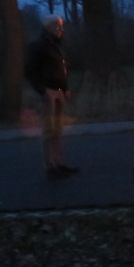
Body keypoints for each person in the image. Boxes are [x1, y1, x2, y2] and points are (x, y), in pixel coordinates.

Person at [25, 14, 79, 179]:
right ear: (48, 27)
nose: (60, 29)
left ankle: (59, 163)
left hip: (59, 91)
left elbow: (61, 70)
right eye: (57, 26)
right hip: (49, 92)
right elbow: (30, 72)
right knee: (49, 130)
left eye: (61, 26)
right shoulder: (38, 46)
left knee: (58, 129)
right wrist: (43, 91)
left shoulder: (56, 45)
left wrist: (65, 88)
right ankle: (50, 166)